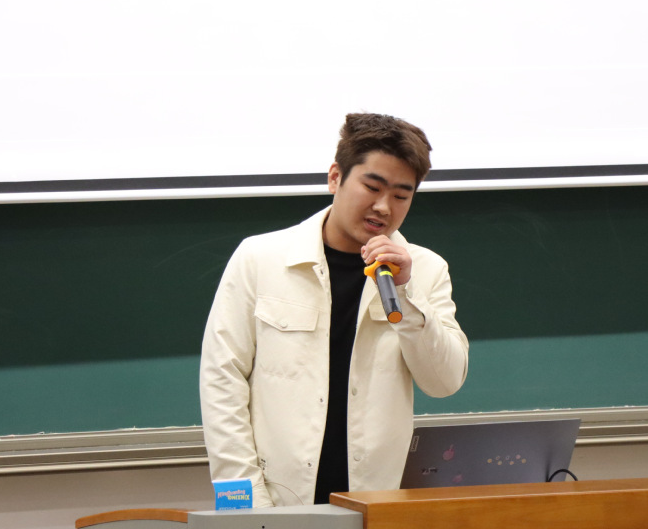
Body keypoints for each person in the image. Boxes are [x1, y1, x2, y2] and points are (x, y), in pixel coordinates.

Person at [199, 113, 469, 506]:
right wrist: (246, 500)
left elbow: (444, 382)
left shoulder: (425, 270)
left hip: (375, 503)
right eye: (372, 187)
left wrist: (406, 292)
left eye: (401, 196)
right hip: (272, 498)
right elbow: (222, 379)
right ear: (335, 177)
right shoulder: (260, 258)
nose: (383, 207)